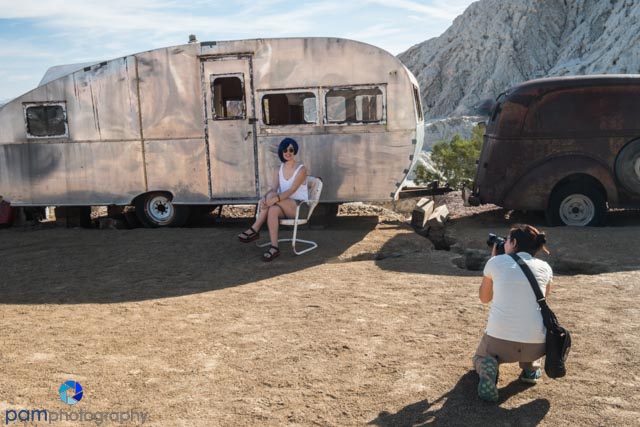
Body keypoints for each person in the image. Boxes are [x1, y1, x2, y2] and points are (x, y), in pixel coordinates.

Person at [474, 224, 553, 402]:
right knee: (530, 324)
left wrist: (493, 261)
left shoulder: (496, 262)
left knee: (480, 357)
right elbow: (543, 298)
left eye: (507, 239)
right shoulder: (545, 267)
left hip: (500, 344)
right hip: (535, 346)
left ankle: (487, 369)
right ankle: (531, 368)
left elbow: (484, 298)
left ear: (514, 242)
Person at [237, 137, 308, 262]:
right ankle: (274, 247)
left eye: (291, 150)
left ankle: (255, 228)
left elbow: (291, 191)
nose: (288, 153)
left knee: (272, 199)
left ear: (295, 151)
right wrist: (265, 198)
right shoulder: (278, 169)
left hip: (299, 207)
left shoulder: (301, 169)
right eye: (285, 150)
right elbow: (274, 189)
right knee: (273, 209)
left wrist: (272, 199)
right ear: (281, 151)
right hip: (282, 205)